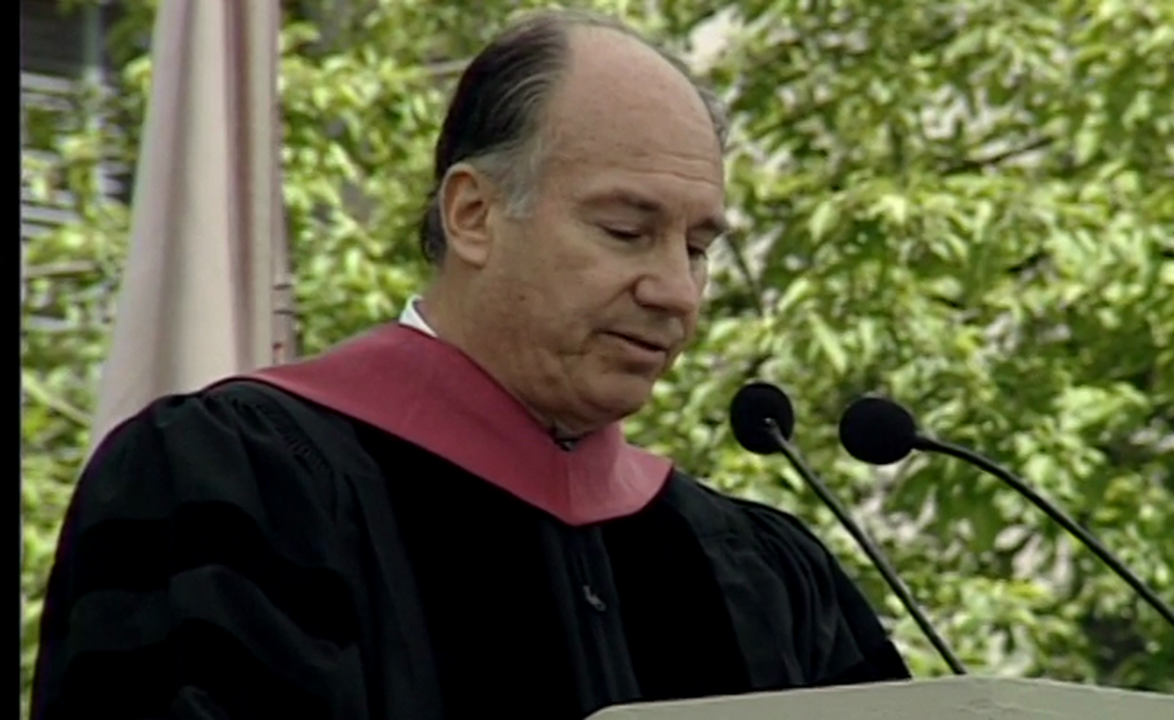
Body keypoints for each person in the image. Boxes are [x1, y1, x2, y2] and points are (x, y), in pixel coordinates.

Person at [32, 10, 911, 720]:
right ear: (474, 215)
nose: (677, 291)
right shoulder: (235, 483)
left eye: (698, 244)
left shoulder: (758, 570)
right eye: (625, 231)